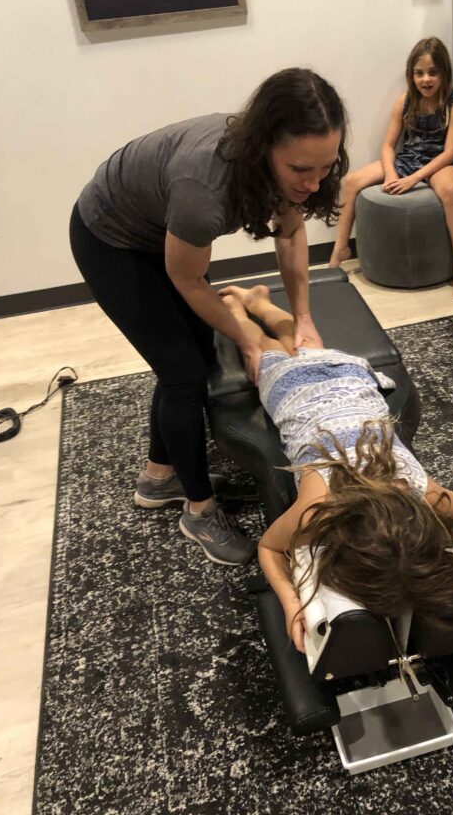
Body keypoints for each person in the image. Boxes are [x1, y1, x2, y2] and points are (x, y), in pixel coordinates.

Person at [70, 69, 349, 565]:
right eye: (300, 170)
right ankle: (197, 510)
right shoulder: (205, 187)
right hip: (109, 238)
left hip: (158, 228)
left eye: (324, 167)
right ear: (264, 148)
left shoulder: (295, 166)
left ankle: (160, 477)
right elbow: (189, 281)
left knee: (195, 352)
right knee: (184, 372)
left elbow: (289, 233)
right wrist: (246, 337)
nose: (313, 182)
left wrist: (302, 317)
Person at [215, 284, 453, 651]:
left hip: (350, 380)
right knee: (266, 351)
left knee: (301, 345)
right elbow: (270, 548)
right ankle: (237, 308)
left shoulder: (431, 499)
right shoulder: (317, 510)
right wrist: (291, 602)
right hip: (298, 395)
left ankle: (258, 302)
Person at [329, 36, 453, 300]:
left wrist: (414, 179)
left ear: (444, 73)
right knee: (351, 181)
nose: (425, 80)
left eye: (432, 73)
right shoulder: (405, 100)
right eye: (419, 73)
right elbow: (388, 146)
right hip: (409, 158)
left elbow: (450, 151)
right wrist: (393, 174)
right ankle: (340, 248)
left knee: (450, 190)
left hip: (440, 161)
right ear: (411, 75)